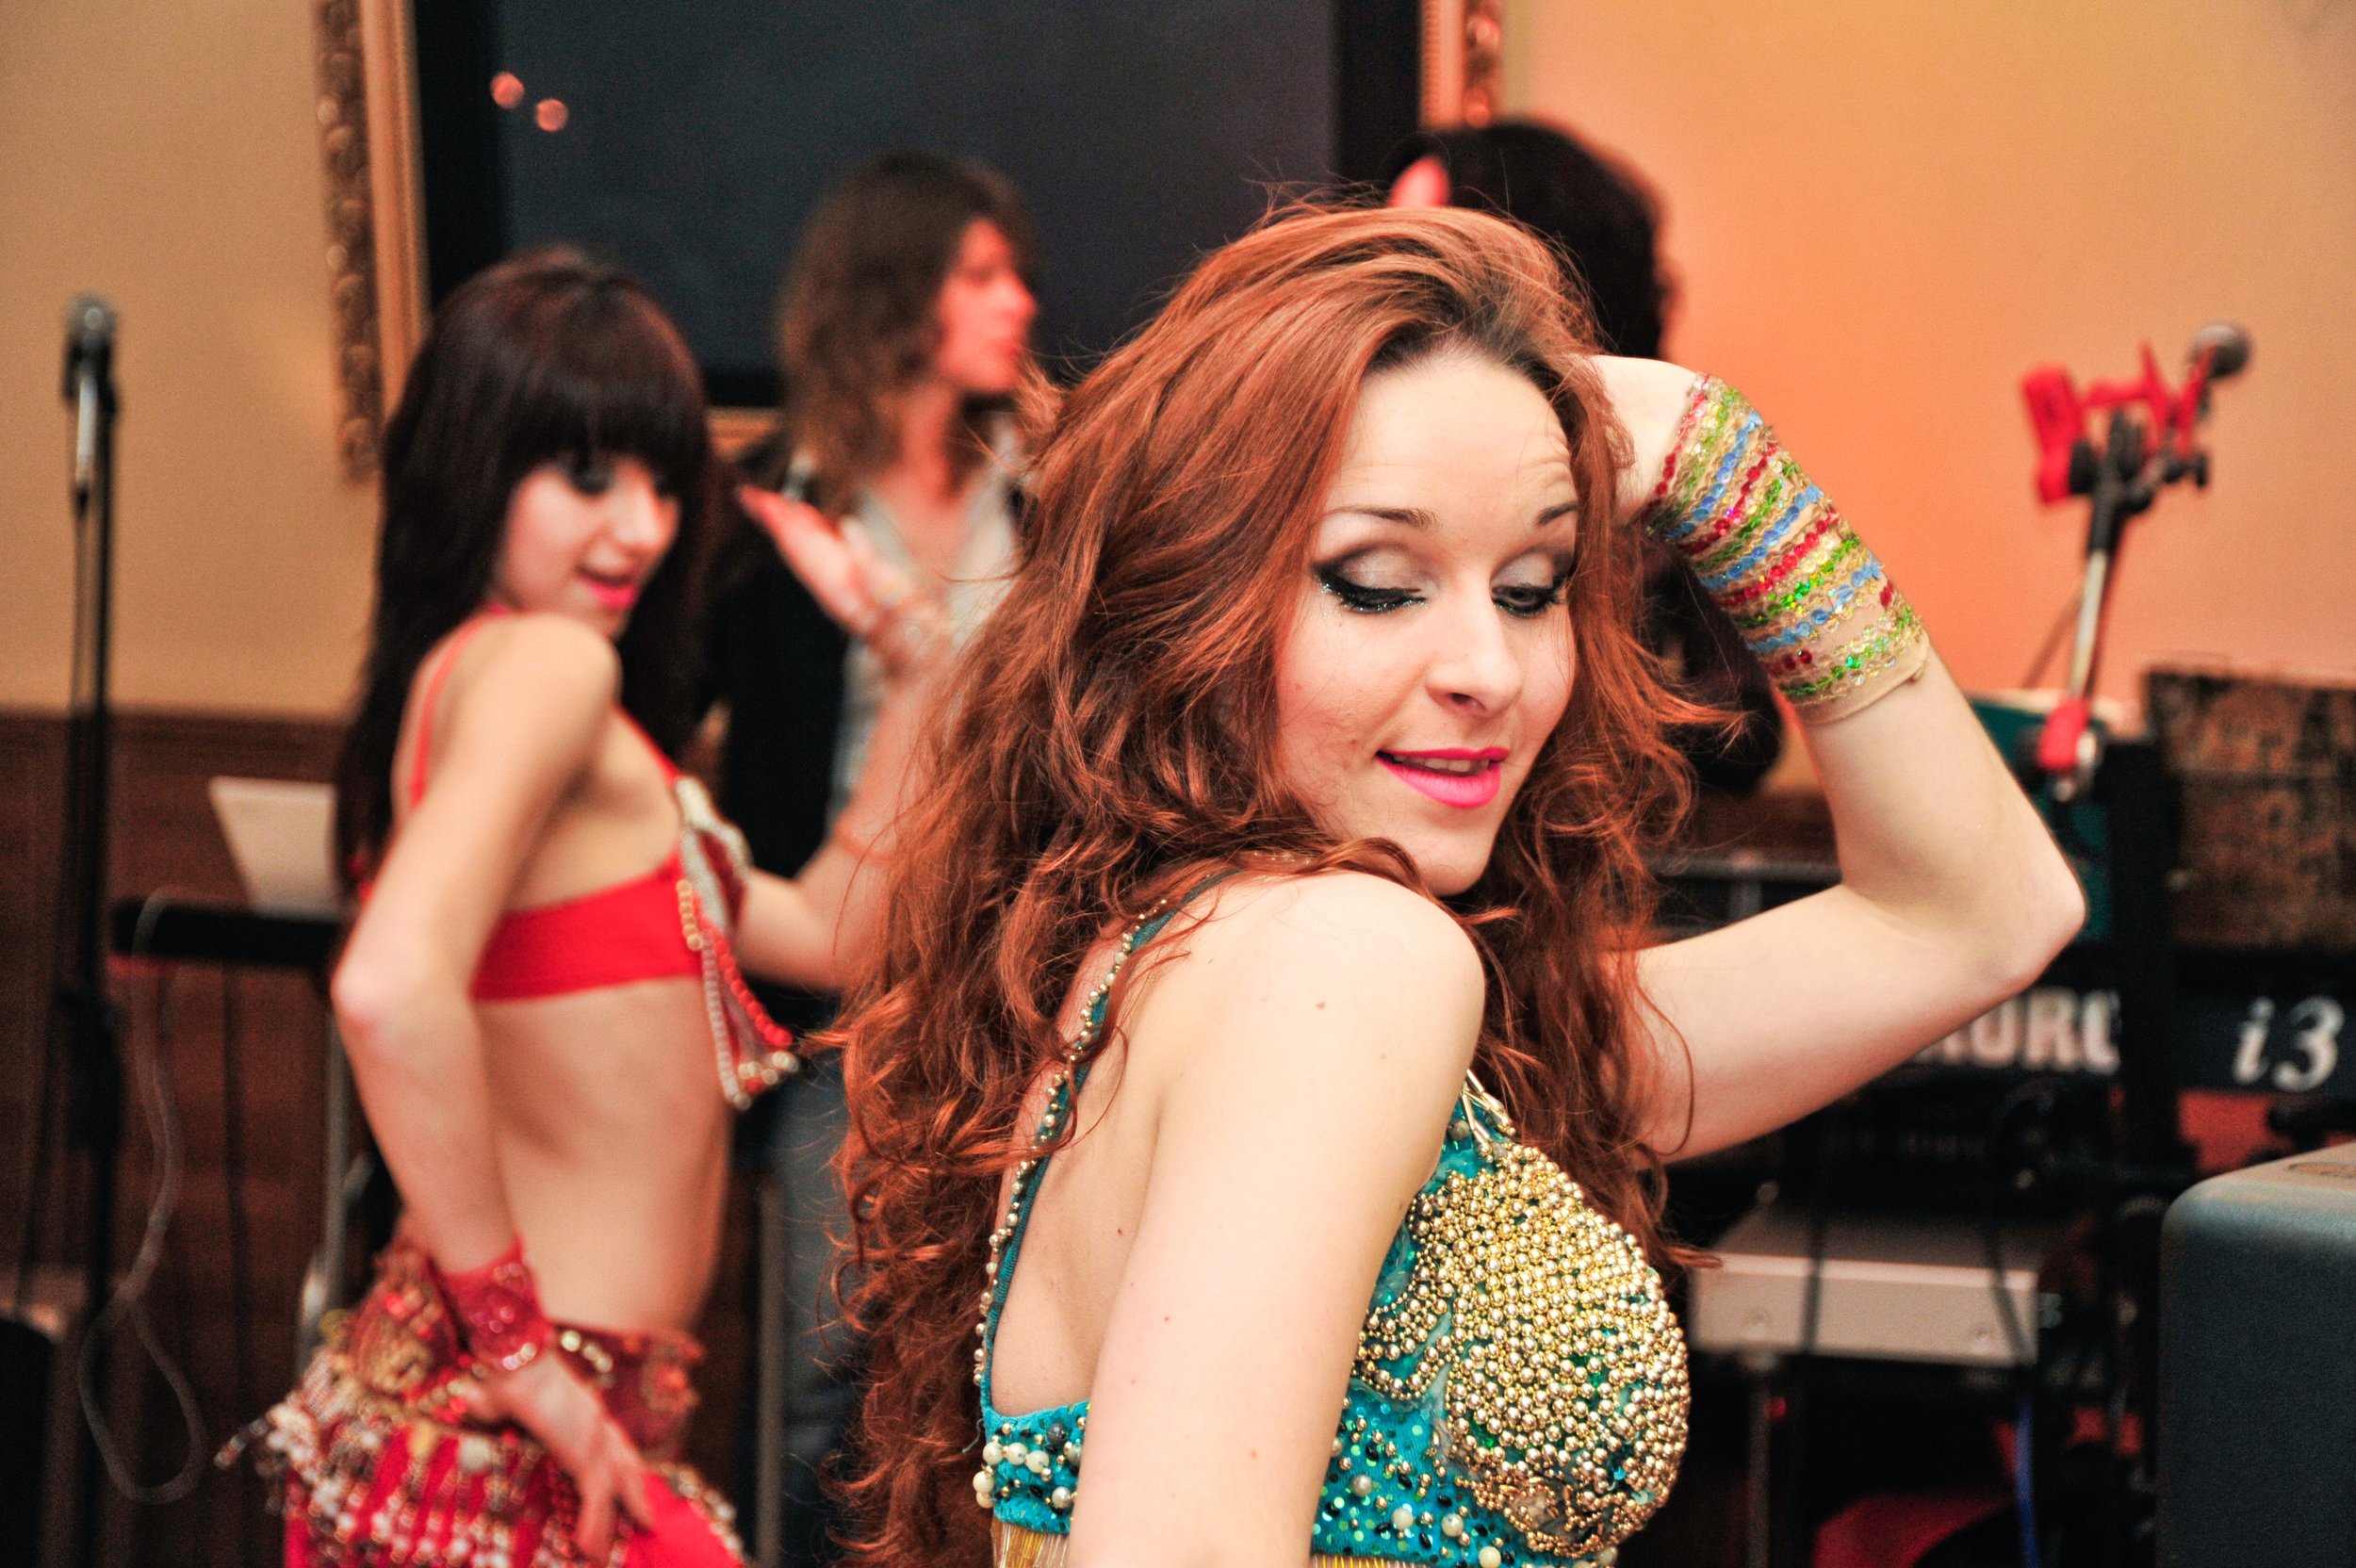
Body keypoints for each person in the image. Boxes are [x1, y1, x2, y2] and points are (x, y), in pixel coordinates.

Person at [831, 204, 2084, 1568]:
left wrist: (1723, 467)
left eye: (1535, 585)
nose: (1490, 670)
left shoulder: (1218, 962)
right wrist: (1729, 456)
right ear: (1185, 608)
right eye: (1377, 585)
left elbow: (1980, 915)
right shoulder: (1340, 964)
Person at [239, 248, 941, 1568]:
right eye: (585, 476)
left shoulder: (504, 692)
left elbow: (835, 931)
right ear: (476, 467)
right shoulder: (547, 669)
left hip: (506, 1421)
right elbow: (386, 986)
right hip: (509, 1426)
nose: (643, 529)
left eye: (665, 483)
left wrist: (912, 667)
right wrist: (519, 1351)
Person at [700, 150, 1037, 1566]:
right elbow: (657, 723)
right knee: (824, 1381)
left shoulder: (1044, 498)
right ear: (896, 292)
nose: (1020, 302)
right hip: (834, 1005)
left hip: (1014, 994)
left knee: (1004, 1381)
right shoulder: (774, 509)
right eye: (981, 275)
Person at [1386, 120, 1785, 796]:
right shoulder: (1367, 440)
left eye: (1425, 250)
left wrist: (1573, 734)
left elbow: (1743, 726)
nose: (1385, 277)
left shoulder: (1663, 463)